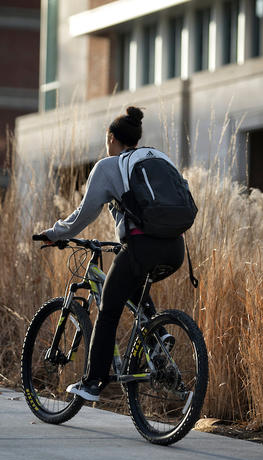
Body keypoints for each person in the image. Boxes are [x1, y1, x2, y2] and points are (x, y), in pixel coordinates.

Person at [36, 106, 185, 402]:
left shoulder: (109, 165)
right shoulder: (157, 157)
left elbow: (83, 215)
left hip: (142, 246)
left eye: (107, 140)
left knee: (107, 311)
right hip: (175, 248)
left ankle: (93, 382)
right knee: (131, 279)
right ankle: (157, 338)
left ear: (113, 138)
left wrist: (55, 233)